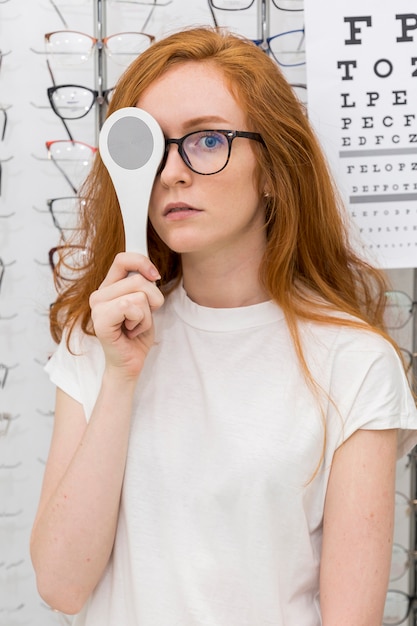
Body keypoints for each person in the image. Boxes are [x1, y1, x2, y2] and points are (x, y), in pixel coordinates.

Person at [30, 25, 417, 626]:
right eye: (149, 146)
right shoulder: (98, 339)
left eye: (208, 140)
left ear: (271, 169)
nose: (172, 173)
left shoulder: (354, 362)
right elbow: (60, 585)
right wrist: (121, 379)